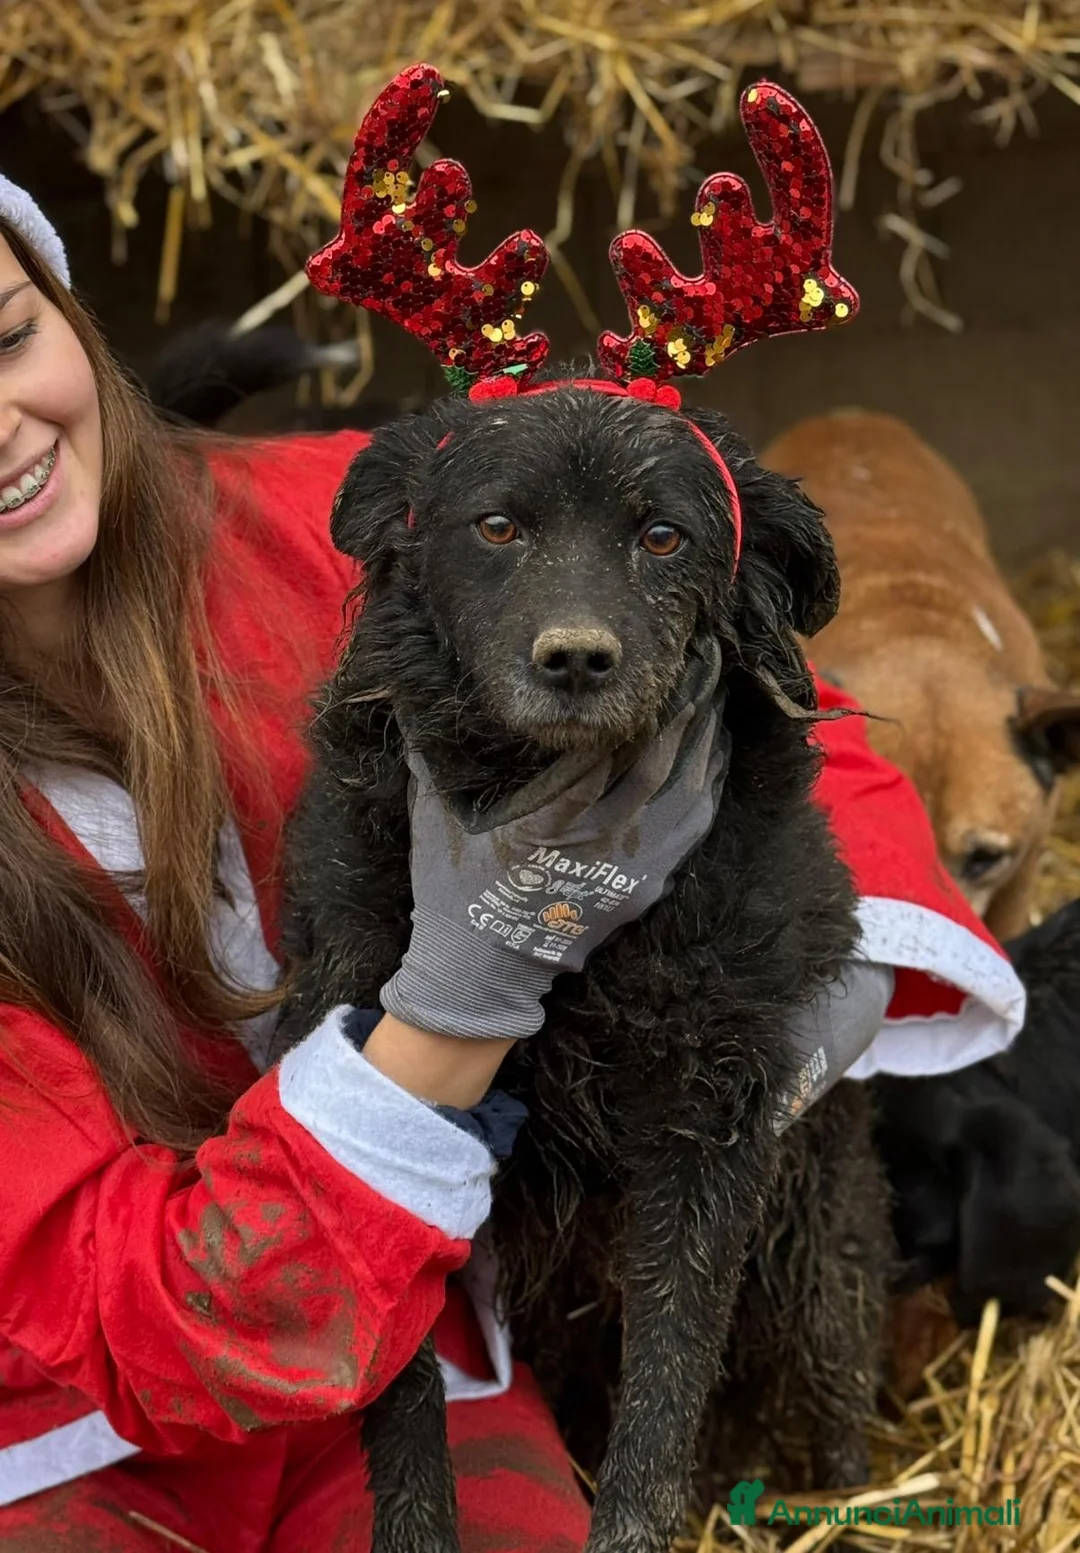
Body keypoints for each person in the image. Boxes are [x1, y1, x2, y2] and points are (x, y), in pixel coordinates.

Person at [0, 175, 1024, 1553]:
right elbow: (124, 1308)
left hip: (437, 1341)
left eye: (10, 336)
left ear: (72, 318)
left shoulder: (319, 518)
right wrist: (468, 988)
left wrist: (807, 979)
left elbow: (789, 708)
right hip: (78, 1416)